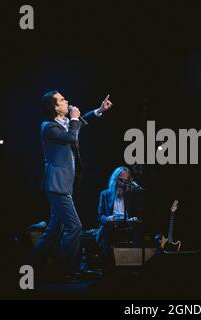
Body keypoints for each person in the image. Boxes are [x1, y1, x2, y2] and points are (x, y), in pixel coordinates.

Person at [31, 90, 113, 280]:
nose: (66, 101)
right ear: (54, 107)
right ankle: (64, 270)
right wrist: (75, 119)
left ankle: (32, 267)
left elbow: (80, 121)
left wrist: (99, 110)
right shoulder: (49, 127)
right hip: (56, 185)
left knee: (53, 230)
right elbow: (71, 137)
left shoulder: (64, 123)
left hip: (64, 185)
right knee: (75, 227)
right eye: (61, 100)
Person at [96, 166, 143, 263]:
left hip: (127, 224)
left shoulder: (132, 195)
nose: (123, 183)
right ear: (115, 179)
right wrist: (108, 218)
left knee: (138, 227)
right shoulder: (105, 194)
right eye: (121, 180)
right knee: (105, 228)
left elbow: (138, 213)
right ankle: (108, 262)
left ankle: (134, 262)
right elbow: (100, 216)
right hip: (112, 224)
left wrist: (134, 218)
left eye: (126, 181)